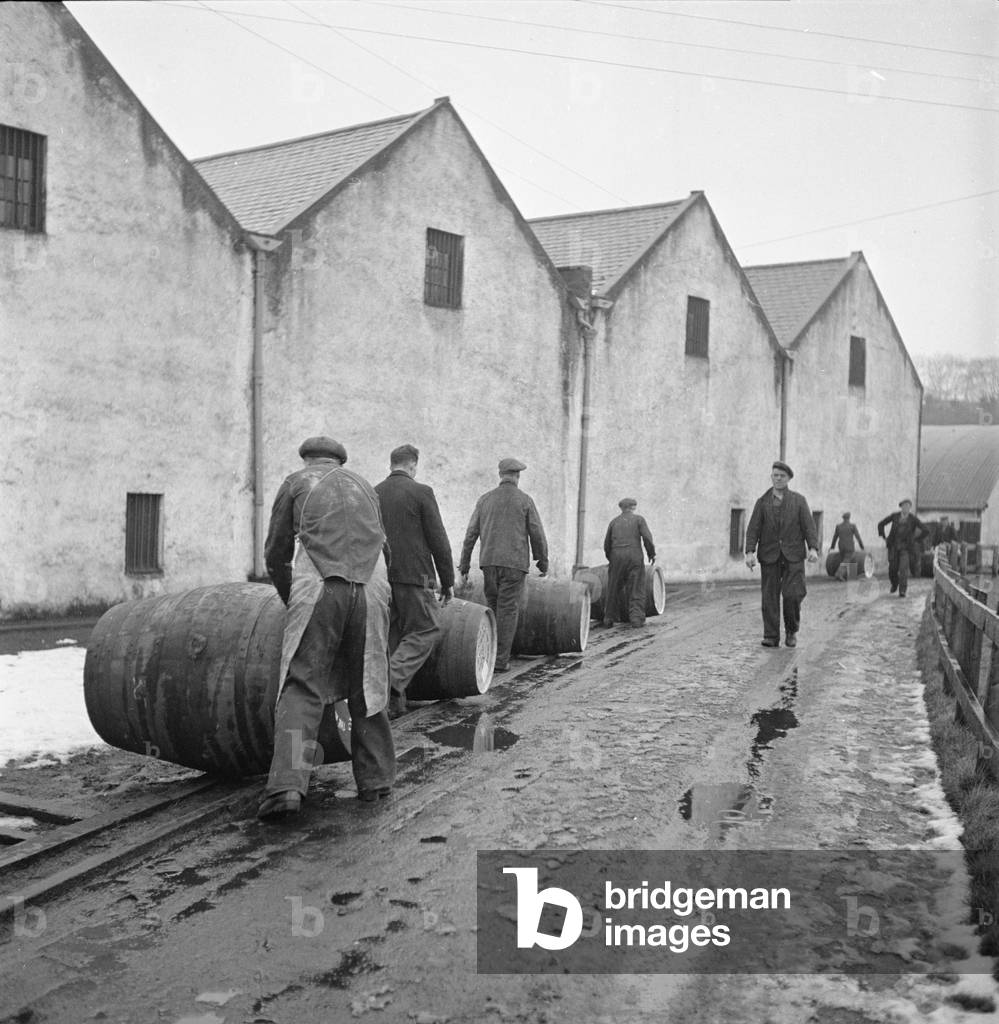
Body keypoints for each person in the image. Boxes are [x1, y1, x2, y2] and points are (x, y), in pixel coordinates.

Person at [258, 436, 395, 821]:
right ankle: (377, 782)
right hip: (371, 589)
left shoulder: (296, 484)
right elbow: (386, 550)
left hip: (320, 587)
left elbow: (275, 552)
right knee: (368, 683)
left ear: (307, 460)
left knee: (303, 686)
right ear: (340, 461)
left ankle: (287, 786)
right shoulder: (364, 488)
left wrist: (291, 600)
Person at [375, 444, 455, 718]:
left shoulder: (375, 493)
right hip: (415, 576)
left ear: (392, 464)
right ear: (413, 466)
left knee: (393, 637)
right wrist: (447, 580)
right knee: (426, 629)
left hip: (382, 577)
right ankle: (391, 682)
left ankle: (392, 706)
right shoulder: (422, 492)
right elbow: (438, 540)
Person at [458, 458, 548, 673]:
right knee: (507, 610)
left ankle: (488, 654)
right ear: (517, 476)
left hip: (488, 563)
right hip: (514, 564)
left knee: (493, 607)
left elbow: (471, 534)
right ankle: (499, 661)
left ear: (500, 475)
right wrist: (542, 561)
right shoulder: (525, 500)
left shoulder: (485, 500)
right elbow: (537, 533)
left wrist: (464, 564)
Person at [744, 460, 819, 648]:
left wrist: (813, 548)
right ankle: (771, 635)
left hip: (793, 555)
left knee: (793, 595)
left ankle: (792, 630)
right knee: (769, 596)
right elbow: (753, 528)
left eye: (782, 476)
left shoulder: (799, 501)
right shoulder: (762, 502)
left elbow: (809, 526)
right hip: (769, 555)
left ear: (788, 479)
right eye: (775, 475)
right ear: (771, 477)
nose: (778, 479)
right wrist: (750, 551)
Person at [602, 498, 656, 628]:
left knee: (613, 588)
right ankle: (636, 619)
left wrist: (613, 559)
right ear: (634, 507)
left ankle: (609, 619)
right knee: (636, 587)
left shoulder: (614, 522)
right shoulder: (639, 520)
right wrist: (651, 553)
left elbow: (606, 544)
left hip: (616, 556)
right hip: (634, 556)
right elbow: (647, 538)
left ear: (621, 508)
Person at [877, 499, 928, 597]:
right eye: (904, 506)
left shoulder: (913, 519)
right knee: (892, 569)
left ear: (910, 508)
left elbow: (925, 530)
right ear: (901, 507)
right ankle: (894, 584)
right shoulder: (895, 516)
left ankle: (902, 590)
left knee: (903, 569)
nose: (906, 509)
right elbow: (881, 524)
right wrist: (883, 536)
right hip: (894, 547)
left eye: (908, 507)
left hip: (906, 548)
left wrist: (916, 539)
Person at [829, 512, 864, 581]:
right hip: (849, 547)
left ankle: (851, 575)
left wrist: (832, 546)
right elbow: (858, 537)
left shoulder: (838, 526)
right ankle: (839, 574)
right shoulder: (852, 526)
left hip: (841, 547)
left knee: (846, 559)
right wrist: (861, 546)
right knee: (847, 560)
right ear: (849, 518)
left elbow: (835, 537)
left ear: (843, 518)